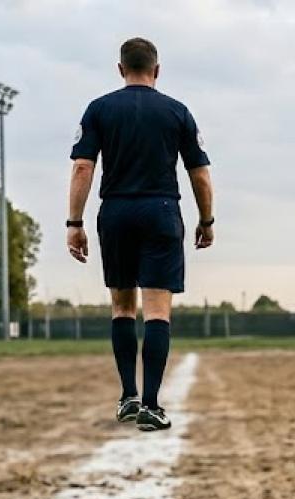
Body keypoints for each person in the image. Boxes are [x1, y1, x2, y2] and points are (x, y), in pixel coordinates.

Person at [66, 37, 215, 430]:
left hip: (115, 211)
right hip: (161, 211)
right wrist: (207, 219)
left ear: (120, 69)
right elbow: (199, 173)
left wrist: (74, 223)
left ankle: (128, 396)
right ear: (157, 70)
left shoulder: (99, 109)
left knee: (121, 308)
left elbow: (83, 168)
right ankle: (151, 404)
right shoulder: (177, 111)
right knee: (157, 312)